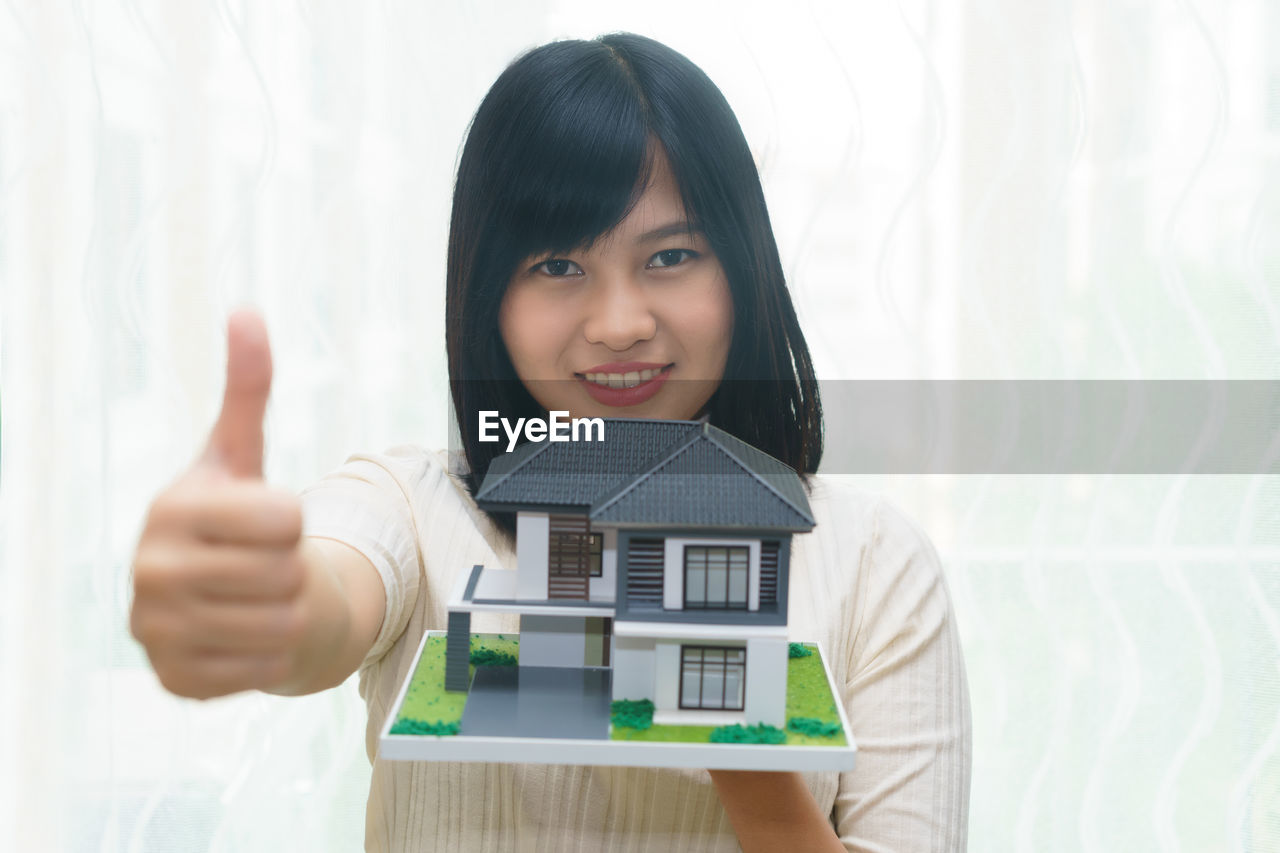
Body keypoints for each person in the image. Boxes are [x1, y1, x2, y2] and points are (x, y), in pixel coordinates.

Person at [130, 32, 971, 852]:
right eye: (558, 268)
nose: (620, 325)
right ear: (488, 292)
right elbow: (331, 592)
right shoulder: (414, 506)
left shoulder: (873, 564)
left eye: (671, 255)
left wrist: (737, 746)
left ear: (744, 270)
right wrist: (264, 607)